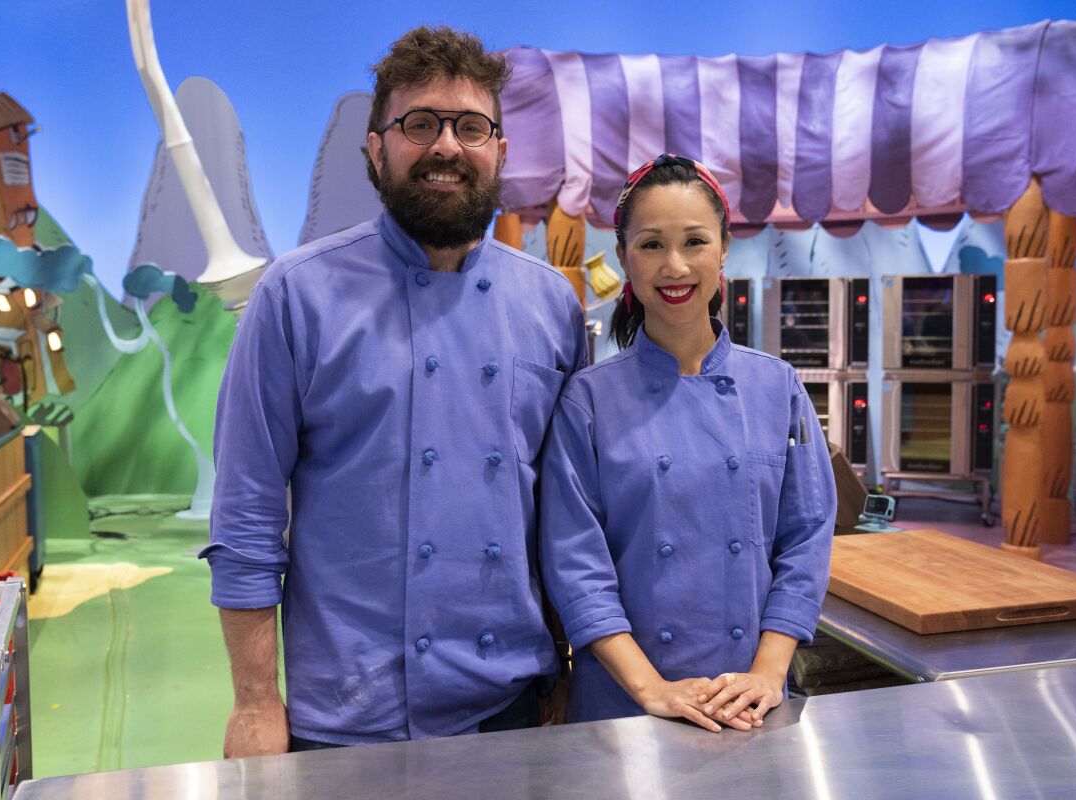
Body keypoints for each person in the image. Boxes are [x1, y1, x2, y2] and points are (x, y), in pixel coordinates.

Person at [201, 25, 586, 755]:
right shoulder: (296, 295)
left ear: (500, 151)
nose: (446, 145)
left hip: (511, 709)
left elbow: (567, 515)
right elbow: (247, 510)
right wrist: (255, 702)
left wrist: (567, 667)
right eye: (419, 124)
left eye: (471, 126)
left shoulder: (552, 307)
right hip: (344, 720)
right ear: (376, 151)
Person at [539, 155, 835, 732]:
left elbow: (806, 538)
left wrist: (768, 675)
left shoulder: (778, 387)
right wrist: (651, 690)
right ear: (624, 258)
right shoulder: (588, 400)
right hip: (624, 708)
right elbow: (575, 565)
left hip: (752, 701)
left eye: (694, 241)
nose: (674, 266)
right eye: (651, 245)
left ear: (724, 248)